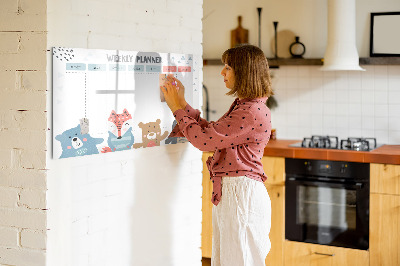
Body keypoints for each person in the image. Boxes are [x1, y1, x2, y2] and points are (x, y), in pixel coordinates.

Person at [161, 44, 273, 266]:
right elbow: (212, 133)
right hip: (236, 193)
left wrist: (176, 108)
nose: (222, 72)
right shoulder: (246, 106)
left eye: (228, 67)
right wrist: (182, 103)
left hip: (241, 195)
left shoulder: (250, 111)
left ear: (244, 72)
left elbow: (204, 141)